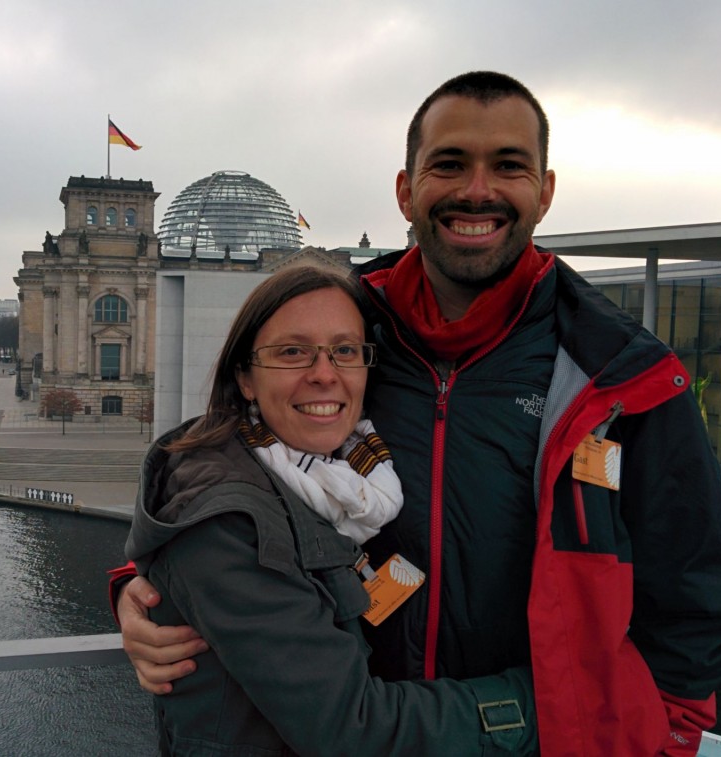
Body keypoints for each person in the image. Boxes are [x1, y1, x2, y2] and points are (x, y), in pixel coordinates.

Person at [115, 71, 721, 755]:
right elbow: (216, 464)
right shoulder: (343, 336)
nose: (478, 190)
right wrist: (145, 589)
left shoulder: (627, 376)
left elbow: (691, 598)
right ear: (407, 190)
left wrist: (659, 728)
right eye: (449, 164)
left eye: (508, 165)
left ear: (545, 191)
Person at [125, 264, 538, 754]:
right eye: (292, 352)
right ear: (245, 378)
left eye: (345, 351)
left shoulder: (352, 475)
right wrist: (541, 704)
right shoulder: (228, 518)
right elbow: (351, 728)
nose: (324, 374)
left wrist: (130, 583)